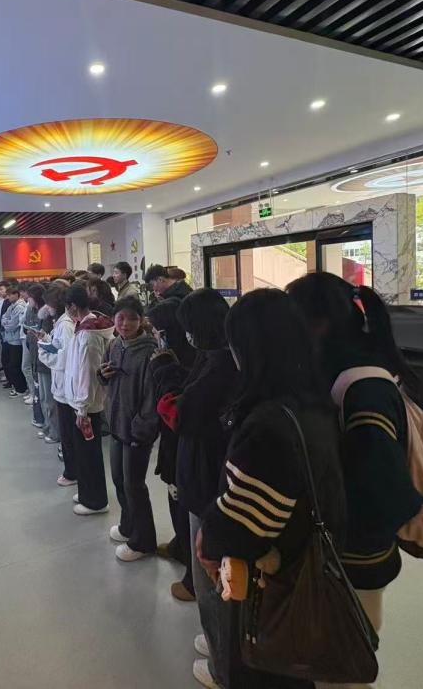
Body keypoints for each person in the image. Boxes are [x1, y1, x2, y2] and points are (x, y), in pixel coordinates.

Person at [195, 289, 347, 689]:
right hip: (304, 563)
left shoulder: (268, 424)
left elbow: (243, 528)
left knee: (263, 666)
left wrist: (208, 535)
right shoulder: (313, 401)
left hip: (273, 585)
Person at [286, 272, 423, 669]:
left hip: (355, 554)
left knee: (346, 655)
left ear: (318, 324)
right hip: (339, 550)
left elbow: (381, 487)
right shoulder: (337, 369)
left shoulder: (363, 388)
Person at [151, 288, 238, 689]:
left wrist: (165, 373)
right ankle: (220, 641)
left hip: (205, 477)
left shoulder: (220, 365)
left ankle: (223, 662)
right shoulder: (221, 356)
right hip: (206, 471)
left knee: (210, 572)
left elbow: (182, 412)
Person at [146, 297, 197, 602]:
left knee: (185, 502)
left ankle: (193, 575)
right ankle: (180, 545)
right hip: (170, 443)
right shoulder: (170, 354)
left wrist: (164, 368)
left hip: (184, 443)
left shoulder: (191, 360)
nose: (154, 335)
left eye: (157, 330)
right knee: (173, 494)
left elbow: (180, 409)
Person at [101, 296, 158, 561]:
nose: (125, 324)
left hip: (136, 431)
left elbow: (151, 397)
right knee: (119, 480)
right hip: (116, 425)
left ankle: (143, 541)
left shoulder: (149, 352)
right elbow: (104, 376)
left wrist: (141, 429)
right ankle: (128, 525)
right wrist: (102, 375)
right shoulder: (114, 345)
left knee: (134, 484)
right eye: (120, 318)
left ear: (141, 321)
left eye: (132, 318)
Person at [58, 284, 113, 515]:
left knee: (89, 454)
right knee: (83, 453)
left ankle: (95, 501)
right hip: (82, 401)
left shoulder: (89, 334)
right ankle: (87, 492)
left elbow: (87, 373)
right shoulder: (85, 327)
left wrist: (82, 407)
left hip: (87, 404)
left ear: (72, 306)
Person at [38, 283, 77, 483]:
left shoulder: (66, 325)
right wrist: (46, 340)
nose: (48, 308)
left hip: (65, 387)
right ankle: (71, 470)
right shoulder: (60, 323)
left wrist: (44, 353)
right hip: (61, 386)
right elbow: (58, 346)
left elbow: (65, 357)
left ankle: (72, 472)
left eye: (50, 304)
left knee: (69, 433)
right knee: (66, 432)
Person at [0, 286, 29, 398]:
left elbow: (13, 325)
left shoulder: (20, 307)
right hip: (10, 339)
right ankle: (17, 386)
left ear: (16, 294)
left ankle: (21, 388)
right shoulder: (11, 306)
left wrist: (6, 324)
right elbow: (4, 318)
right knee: (9, 364)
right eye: (7, 295)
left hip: (17, 340)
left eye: (10, 295)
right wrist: (6, 323)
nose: (8, 297)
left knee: (15, 365)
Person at [23, 284, 46, 414]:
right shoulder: (30, 309)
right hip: (31, 344)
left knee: (40, 379)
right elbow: (26, 324)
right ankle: (36, 400)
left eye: (30, 297)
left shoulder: (44, 312)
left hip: (41, 349)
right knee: (32, 370)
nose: (28, 299)